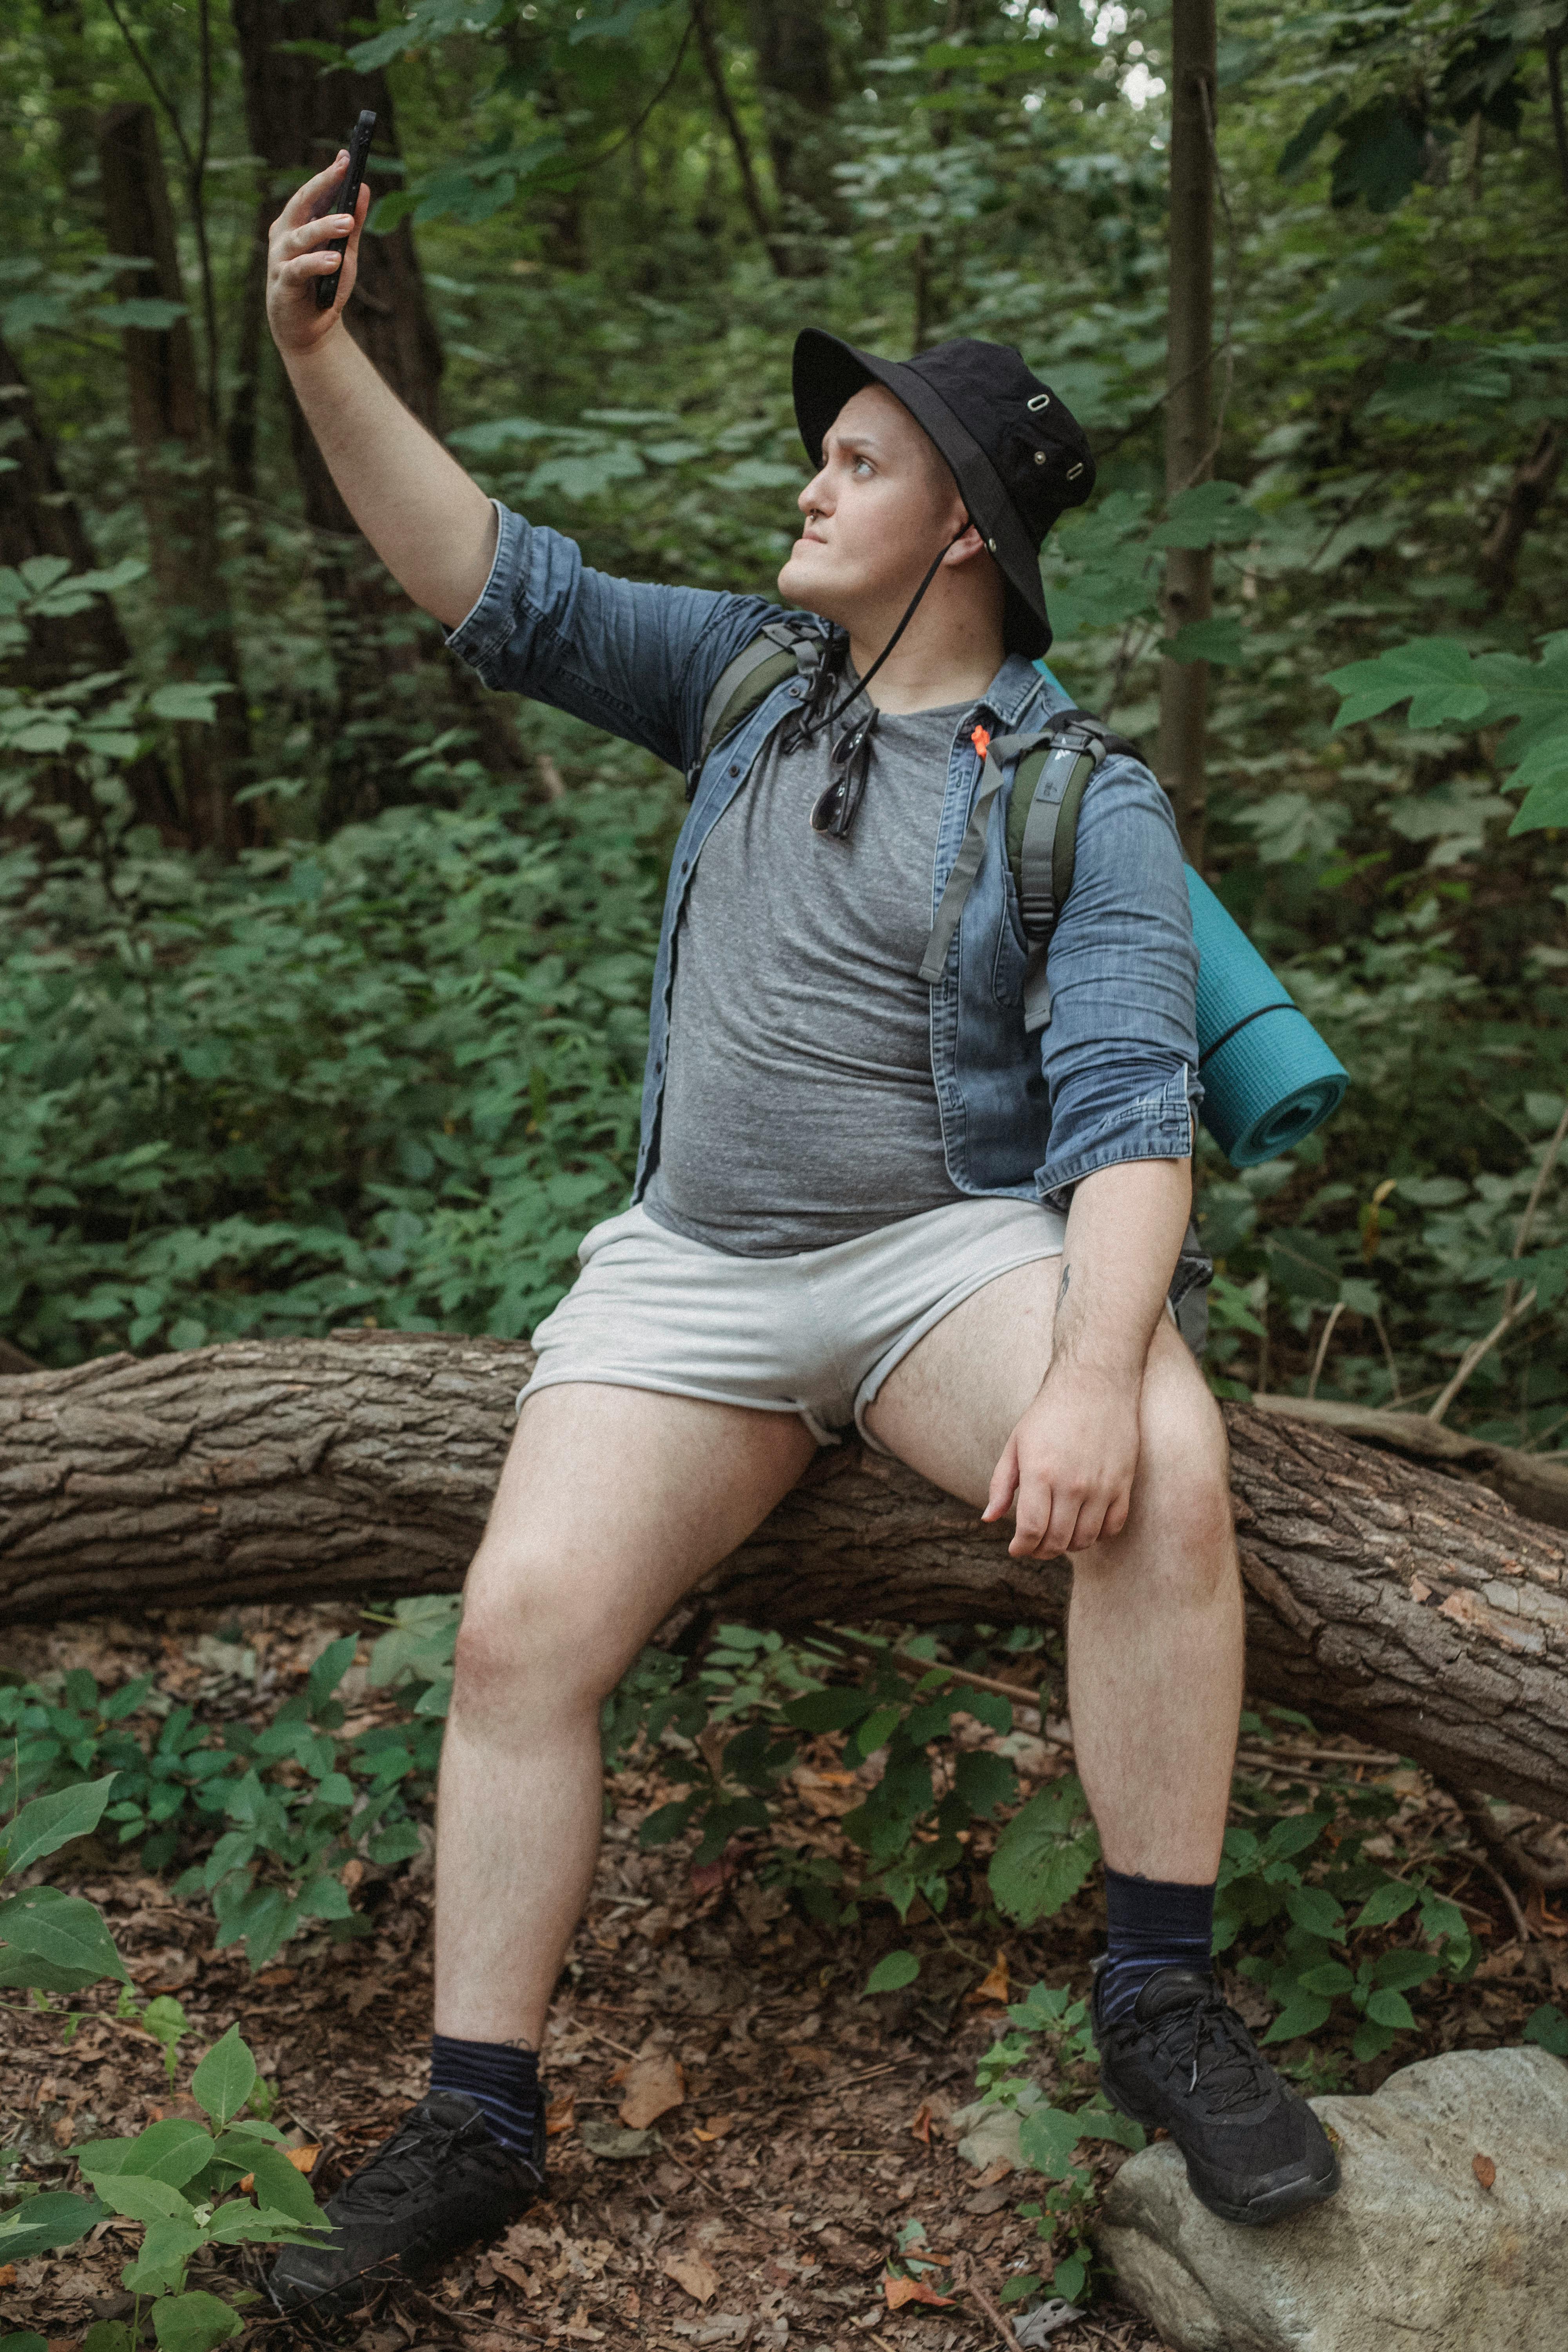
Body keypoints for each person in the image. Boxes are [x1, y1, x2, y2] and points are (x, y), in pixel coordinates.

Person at [263, 152, 1339, 2317]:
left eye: (853, 460)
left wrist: (1097, 1372)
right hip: (694, 1272)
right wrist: (316, 350)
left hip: (949, 1254)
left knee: (1177, 1478)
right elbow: (504, 588)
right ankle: (477, 2113)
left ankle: (1160, 1995)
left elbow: (1135, 1111)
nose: (809, 481)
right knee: (514, 1637)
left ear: (960, 528)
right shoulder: (751, 681)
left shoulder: (1079, 792)